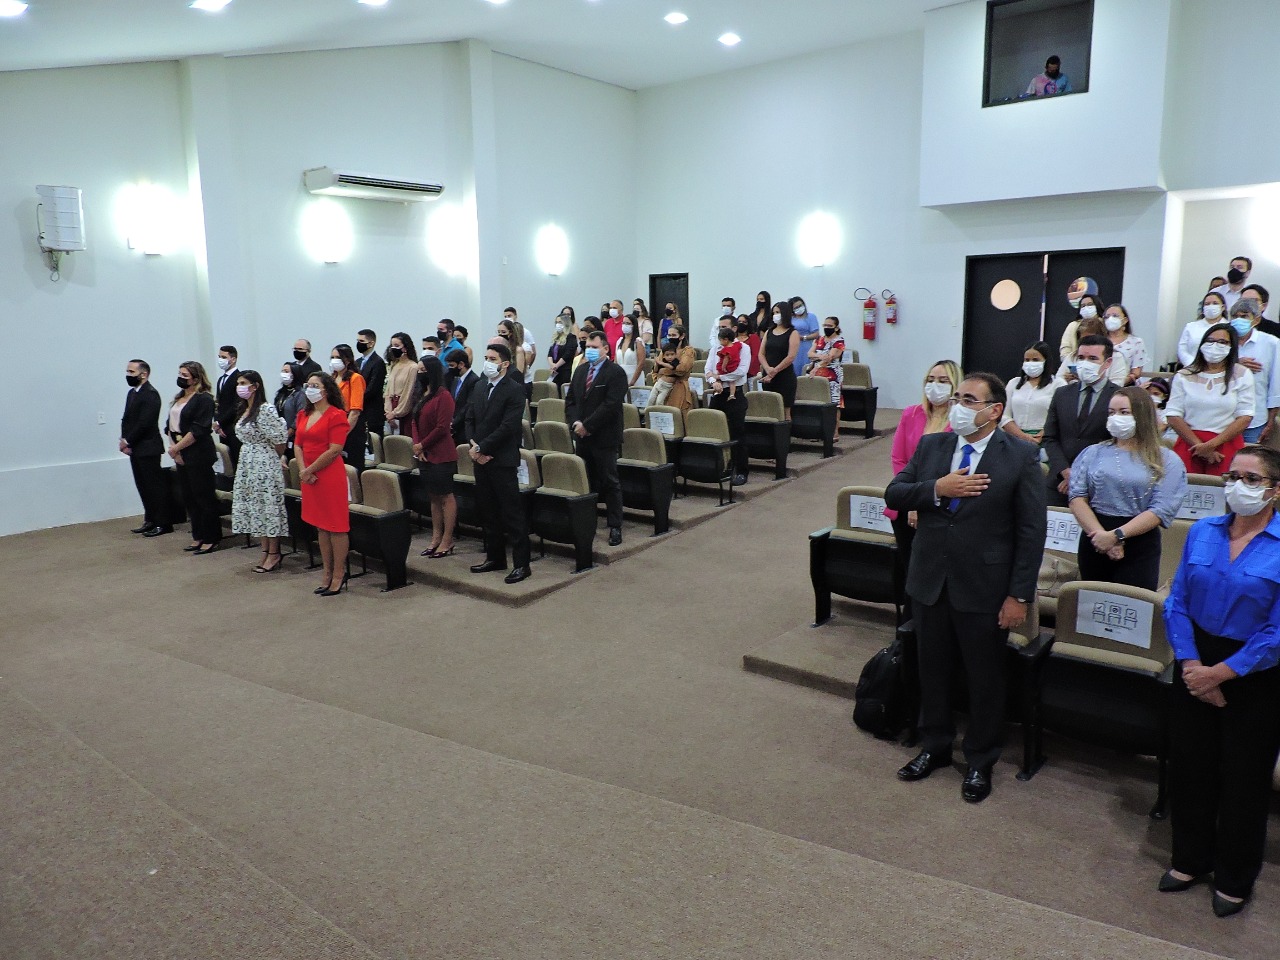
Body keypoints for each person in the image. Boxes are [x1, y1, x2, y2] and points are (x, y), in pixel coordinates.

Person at [886, 372, 1045, 804]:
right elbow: (896, 493)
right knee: (932, 668)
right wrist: (937, 489)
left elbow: (1031, 532)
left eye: (969, 400)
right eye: (957, 397)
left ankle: (980, 759)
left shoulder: (1020, 456)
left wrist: (1019, 595)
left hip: (985, 585)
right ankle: (934, 745)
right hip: (930, 581)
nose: (958, 406)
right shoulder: (933, 446)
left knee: (984, 676)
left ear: (995, 410)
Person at [1161, 445, 1280, 917]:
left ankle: (1234, 877)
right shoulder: (1203, 531)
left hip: (1255, 672)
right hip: (1195, 661)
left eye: (1250, 479)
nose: (1237, 486)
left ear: (1275, 490)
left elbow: (1277, 631)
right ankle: (1189, 859)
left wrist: (1221, 674)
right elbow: (1177, 602)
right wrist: (1193, 666)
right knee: (1191, 766)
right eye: (1233, 476)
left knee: (1244, 778)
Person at [1068, 387, 1187, 590]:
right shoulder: (1092, 453)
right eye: (1111, 412)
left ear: (1141, 415)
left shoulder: (1168, 459)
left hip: (1139, 542)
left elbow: (1160, 509)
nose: (1116, 418)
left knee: (1133, 603)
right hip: (1095, 538)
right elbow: (1077, 497)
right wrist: (1101, 537)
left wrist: (1116, 536)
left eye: (1124, 412)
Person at [886, 360, 960, 580]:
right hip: (906, 502)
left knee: (933, 571)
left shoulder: (960, 420)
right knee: (910, 568)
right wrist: (912, 502)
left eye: (943, 381)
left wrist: (923, 500)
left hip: (941, 504)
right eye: (931, 380)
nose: (935, 385)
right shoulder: (911, 413)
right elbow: (899, 459)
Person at [465, 343, 532, 584]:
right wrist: (475, 447)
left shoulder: (514, 389)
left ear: (504, 364)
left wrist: (483, 448)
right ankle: (495, 558)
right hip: (480, 458)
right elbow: (470, 418)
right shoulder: (479, 385)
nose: (487, 362)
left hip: (502, 459)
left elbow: (509, 426)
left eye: (492, 359)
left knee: (512, 513)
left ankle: (522, 564)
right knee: (488, 512)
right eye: (486, 357)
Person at [1165, 324, 1254, 477]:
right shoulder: (1184, 375)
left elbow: (1245, 416)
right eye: (1210, 341)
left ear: (1231, 346)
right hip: (1190, 444)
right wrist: (1200, 446)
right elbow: (1173, 415)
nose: (1215, 346)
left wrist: (1211, 445)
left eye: (1222, 342)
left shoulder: (1242, 374)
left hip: (1225, 445)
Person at [567, 330, 629, 545]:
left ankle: (615, 525)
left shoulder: (616, 372)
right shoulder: (581, 370)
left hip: (604, 436)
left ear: (605, 348)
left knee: (610, 481)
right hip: (582, 436)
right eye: (588, 347)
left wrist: (588, 426)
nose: (590, 350)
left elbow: (611, 405)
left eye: (594, 347)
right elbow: (571, 401)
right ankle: (588, 522)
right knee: (587, 481)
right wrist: (576, 423)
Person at [1043, 334, 1119, 506]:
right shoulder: (1062, 394)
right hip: (1058, 484)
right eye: (1081, 358)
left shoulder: (1119, 397)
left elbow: (1118, 444)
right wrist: (1065, 471)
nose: (1085, 363)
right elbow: (1050, 437)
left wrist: (1080, 477)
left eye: (1092, 358)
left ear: (1107, 363)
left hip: (1099, 486)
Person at [296, 372, 350, 596]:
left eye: (315, 385)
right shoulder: (303, 414)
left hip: (328, 475)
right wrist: (303, 470)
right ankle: (326, 572)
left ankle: (339, 573)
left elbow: (335, 449)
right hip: (309, 477)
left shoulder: (336, 415)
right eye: (308, 385)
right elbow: (298, 444)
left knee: (336, 526)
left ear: (326, 390)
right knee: (321, 525)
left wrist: (310, 470)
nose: (310, 388)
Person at [229, 370, 289, 573]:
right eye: (238, 383)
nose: (240, 387)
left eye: (243, 383)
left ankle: (274, 552)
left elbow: (279, 440)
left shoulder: (265, 409)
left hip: (264, 463)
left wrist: (272, 457)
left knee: (268, 507)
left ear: (255, 386)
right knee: (257, 508)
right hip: (248, 462)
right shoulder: (244, 409)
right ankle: (264, 550)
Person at [167, 361, 220, 556]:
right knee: (189, 497)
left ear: (196, 378)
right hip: (180, 452)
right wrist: (175, 450)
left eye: (185, 375)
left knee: (203, 496)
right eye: (179, 374)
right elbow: (170, 426)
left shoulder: (204, 399)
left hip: (198, 453)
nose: (180, 378)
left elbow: (199, 429)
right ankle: (198, 535)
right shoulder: (179, 398)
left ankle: (211, 537)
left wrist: (177, 448)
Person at [410, 356, 458, 559]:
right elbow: (414, 421)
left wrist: (422, 445)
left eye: (423, 370)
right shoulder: (422, 394)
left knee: (445, 496)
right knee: (433, 497)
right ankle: (435, 537)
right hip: (424, 454)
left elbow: (442, 427)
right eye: (418, 370)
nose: (420, 373)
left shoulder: (444, 396)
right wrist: (418, 446)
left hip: (442, 453)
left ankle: (447, 539)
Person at [120, 358, 171, 537]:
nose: (128, 375)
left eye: (132, 372)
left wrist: (128, 441)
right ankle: (150, 519)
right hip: (135, 447)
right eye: (128, 371)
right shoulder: (132, 393)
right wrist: (123, 439)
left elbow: (145, 423)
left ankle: (163, 522)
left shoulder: (150, 394)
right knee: (142, 486)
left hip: (149, 447)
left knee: (154, 486)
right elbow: (127, 419)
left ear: (144, 374)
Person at [1228, 297, 1280, 444]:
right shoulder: (1224, 340)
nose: (1239, 320)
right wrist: (1235, 363)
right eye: (1235, 316)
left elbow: (1275, 384)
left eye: (1244, 316)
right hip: (1223, 418)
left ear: (1256, 320)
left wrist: (1271, 420)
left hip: (1255, 418)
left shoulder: (1271, 343)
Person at [706, 323, 751, 486]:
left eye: (725, 327)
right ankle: (720, 467)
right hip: (718, 393)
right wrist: (713, 381)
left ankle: (741, 471)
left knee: (737, 433)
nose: (721, 330)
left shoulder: (743, 348)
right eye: (719, 327)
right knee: (714, 430)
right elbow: (707, 370)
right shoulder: (715, 349)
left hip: (735, 394)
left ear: (733, 329)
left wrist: (720, 378)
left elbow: (741, 371)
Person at [1000, 341, 1062, 450]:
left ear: (1046, 361)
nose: (1030, 363)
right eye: (1027, 360)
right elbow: (1004, 416)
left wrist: (1042, 435)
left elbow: (1061, 416)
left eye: (1035, 360)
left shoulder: (1058, 384)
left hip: (1046, 441)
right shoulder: (1014, 383)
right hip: (1014, 440)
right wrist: (1022, 436)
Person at [806, 316, 846, 443]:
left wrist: (817, 362)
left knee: (834, 403)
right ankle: (818, 431)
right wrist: (820, 356)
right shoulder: (819, 339)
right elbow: (809, 354)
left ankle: (834, 432)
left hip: (832, 375)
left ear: (836, 327)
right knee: (817, 402)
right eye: (825, 325)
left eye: (830, 326)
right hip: (817, 374)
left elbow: (830, 357)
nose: (827, 328)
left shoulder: (839, 341)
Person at [760, 300, 800, 418]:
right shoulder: (769, 332)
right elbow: (761, 354)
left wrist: (775, 371)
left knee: (785, 410)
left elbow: (791, 356)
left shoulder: (793, 333)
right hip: (768, 376)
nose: (775, 315)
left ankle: (786, 429)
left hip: (784, 376)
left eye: (778, 312)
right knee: (770, 409)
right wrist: (768, 369)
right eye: (773, 313)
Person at [329, 344, 366, 468]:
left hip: (350, 428)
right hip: (333, 424)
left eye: (338, 357)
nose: (334, 360)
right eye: (332, 357)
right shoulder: (332, 378)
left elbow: (355, 411)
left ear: (348, 360)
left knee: (351, 466)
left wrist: (343, 434)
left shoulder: (355, 378)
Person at [1177, 292, 1228, 368]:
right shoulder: (1191, 326)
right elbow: (1182, 349)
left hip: (1220, 369)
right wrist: (1192, 363)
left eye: (1215, 303)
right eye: (1207, 304)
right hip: (1192, 367)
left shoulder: (1229, 327)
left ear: (1223, 307)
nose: (1211, 306)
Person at [382, 332, 418, 436]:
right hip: (391, 408)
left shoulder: (413, 367)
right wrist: (388, 412)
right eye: (392, 345)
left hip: (403, 409)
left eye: (397, 346)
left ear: (405, 348)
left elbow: (408, 393)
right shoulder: (394, 365)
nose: (393, 348)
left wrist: (395, 413)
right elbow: (388, 392)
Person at [213, 344, 242, 469]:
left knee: (236, 460)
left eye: (224, 357)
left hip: (232, 426)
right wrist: (217, 422)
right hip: (222, 428)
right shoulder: (221, 379)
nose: (220, 360)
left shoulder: (239, 378)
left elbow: (236, 404)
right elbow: (218, 403)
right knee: (227, 462)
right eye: (219, 356)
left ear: (233, 359)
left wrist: (221, 422)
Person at [1103, 304, 1145, 384]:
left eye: (1115, 316)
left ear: (1125, 320)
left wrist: (1118, 383)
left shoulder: (1136, 342)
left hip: (1124, 385)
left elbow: (1136, 372)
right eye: (1107, 317)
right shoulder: (1100, 340)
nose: (1110, 319)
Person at [355, 329, 386, 439]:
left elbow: (373, 388)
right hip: (359, 410)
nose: (358, 344)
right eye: (357, 341)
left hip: (372, 411)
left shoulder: (378, 362)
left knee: (374, 443)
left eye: (361, 341)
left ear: (371, 343)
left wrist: (356, 399)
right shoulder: (357, 362)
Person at [446, 350, 480, 446]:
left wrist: (454, 423)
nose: (450, 369)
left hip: (464, 429)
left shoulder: (474, 380)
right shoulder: (456, 380)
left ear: (461, 364)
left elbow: (468, 405)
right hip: (454, 429)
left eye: (452, 365)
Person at [1059, 293, 1105, 361]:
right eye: (1083, 306)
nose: (1086, 308)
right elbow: (1065, 350)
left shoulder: (1105, 324)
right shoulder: (1073, 326)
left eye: (1090, 304)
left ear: (1097, 306)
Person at [275, 362, 307, 459]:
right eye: (282, 371)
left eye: (286, 371)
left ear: (294, 374)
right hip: (280, 435)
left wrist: (289, 432)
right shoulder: (281, 393)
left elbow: (300, 414)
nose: (283, 374)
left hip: (293, 437)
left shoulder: (300, 394)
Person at [789, 296, 819, 375]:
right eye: (796, 307)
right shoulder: (790, 318)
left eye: (800, 305)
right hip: (792, 347)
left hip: (805, 346)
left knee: (805, 369)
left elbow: (816, 334)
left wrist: (803, 337)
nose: (799, 308)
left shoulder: (811, 317)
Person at [614, 314, 646, 388]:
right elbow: (616, 362)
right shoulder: (619, 341)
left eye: (628, 323)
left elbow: (641, 363)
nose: (625, 325)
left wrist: (632, 382)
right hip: (621, 377)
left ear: (633, 326)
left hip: (635, 378)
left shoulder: (638, 341)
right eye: (623, 323)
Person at [547, 312, 579, 388]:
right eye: (556, 322)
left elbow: (568, 354)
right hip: (555, 371)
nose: (557, 324)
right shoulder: (556, 338)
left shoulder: (571, 337)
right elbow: (550, 353)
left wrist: (556, 365)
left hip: (565, 371)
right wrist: (552, 365)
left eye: (560, 322)